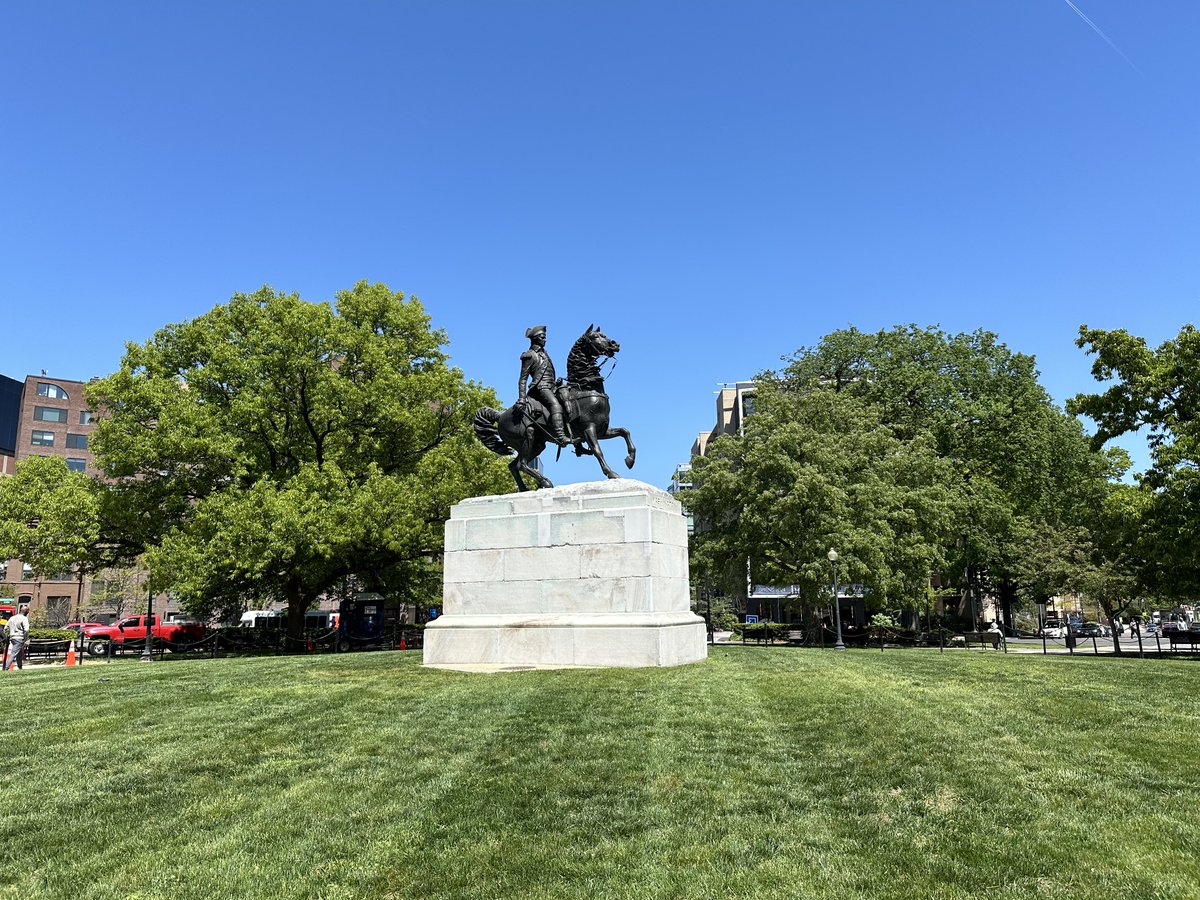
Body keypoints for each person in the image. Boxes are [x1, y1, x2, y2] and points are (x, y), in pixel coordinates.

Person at [517, 324, 570, 446]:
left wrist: (555, 383)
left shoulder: (545, 353)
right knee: (555, 405)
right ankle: (560, 436)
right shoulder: (529, 355)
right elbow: (522, 379)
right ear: (535, 338)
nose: (545, 339)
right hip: (540, 388)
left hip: (551, 387)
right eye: (542, 337)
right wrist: (522, 399)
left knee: (569, 399)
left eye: (545, 337)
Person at [4, 604, 30, 671]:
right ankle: (6, 668)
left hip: (12, 638)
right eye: (28, 611)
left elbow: (5, 628)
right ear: (26, 612)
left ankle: (20, 667)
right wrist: (25, 638)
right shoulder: (24, 618)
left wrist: (9, 634)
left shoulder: (12, 618)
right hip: (19, 638)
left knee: (19, 653)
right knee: (14, 653)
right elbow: (26, 630)